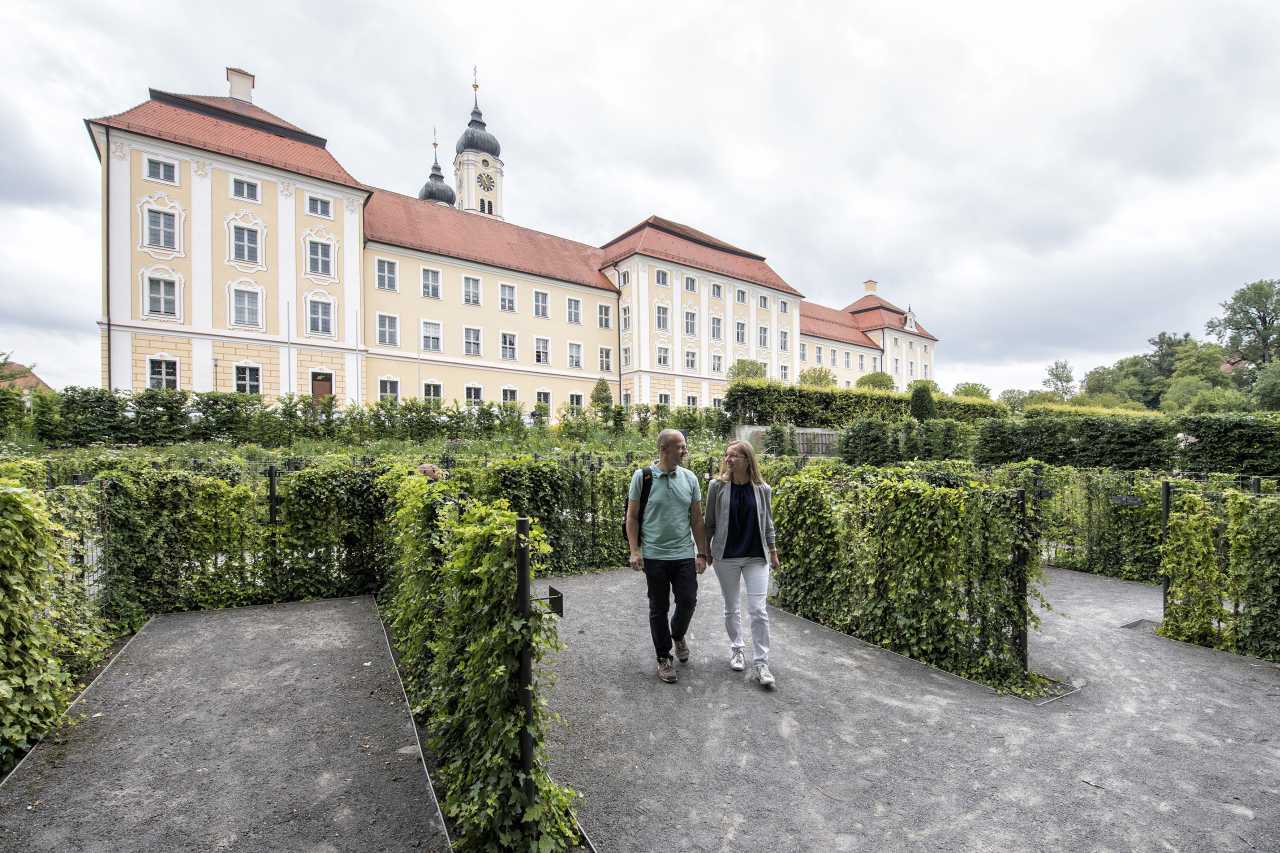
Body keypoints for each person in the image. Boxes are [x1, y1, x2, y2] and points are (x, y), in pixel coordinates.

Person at [626, 429, 711, 684]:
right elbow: (631, 517)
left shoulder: (690, 478)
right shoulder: (643, 477)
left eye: (684, 446)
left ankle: (678, 634)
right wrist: (635, 550)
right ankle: (663, 657)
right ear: (664, 449)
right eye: (681, 447)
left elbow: (697, 520)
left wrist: (702, 553)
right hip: (654, 555)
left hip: (683, 553)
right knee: (658, 607)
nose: (685, 451)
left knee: (688, 600)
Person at [703, 440, 778, 688]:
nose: (728, 459)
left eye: (734, 455)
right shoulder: (717, 486)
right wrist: (705, 551)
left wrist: (773, 550)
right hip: (727, 556)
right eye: (727, 455)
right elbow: (709, 521)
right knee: (731, 607)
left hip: (756, 555)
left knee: (758, 610)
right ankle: (737, 649)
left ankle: (761, 663)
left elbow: (768, 522)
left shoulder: (762, 488)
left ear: (747, 459)